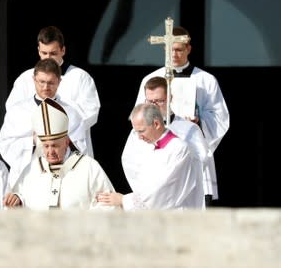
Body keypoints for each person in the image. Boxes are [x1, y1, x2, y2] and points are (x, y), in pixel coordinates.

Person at [134, 26, 229, 205]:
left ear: (188, 49)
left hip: (192, 146)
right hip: (160, 155)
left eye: (179, 49)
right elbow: (139, 115)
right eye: (170, 50)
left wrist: (199, 123)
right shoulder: (150, 80)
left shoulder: (206, 80)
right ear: (164, 49)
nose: (174, 54)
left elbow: (220, 117)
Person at [3, 98, 116, 210]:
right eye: (46, 146)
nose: (50, 152)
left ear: (67, 142)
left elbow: (108, 205)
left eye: (55, 146)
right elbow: (19, 195)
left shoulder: (89, 167)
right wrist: (17, 200)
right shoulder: (32, 168)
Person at [5, 25, 100, 157]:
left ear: (63, 50)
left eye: (53, 53)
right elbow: (14, 114)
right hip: (34, 150)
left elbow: (90, 113)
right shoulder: (25, 79)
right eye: (44, 53)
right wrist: (40, 134)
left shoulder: (80, 77)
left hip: (69, 148)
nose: (48, 57)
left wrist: (57, 131)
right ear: (38, 50)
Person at [0, 58, 89, 188]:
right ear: (34, 80)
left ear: (59, 81)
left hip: (61, 178)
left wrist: (62, 142)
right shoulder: (17, 111)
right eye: (41, 82)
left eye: (51, 83)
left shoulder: (72, 113)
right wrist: (32, 141)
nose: (46, 87)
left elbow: (81, 149)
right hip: (26, 178)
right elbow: (4, 143)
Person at [97, 103, 204, 210]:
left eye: (141, 131)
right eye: (136, 132)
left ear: (156, 124)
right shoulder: (149, 147)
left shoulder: (179, 149)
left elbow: (163, 191)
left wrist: (124, 200)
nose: (139, 137)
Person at [139, 76, 217, 206]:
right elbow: (132, 163)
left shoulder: (189, 129)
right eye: (150, 102)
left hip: (181, 200)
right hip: (150, 199)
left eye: (159, 101)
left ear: (170, 98)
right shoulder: (139, 131)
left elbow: (201, 161)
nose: (154, 107)